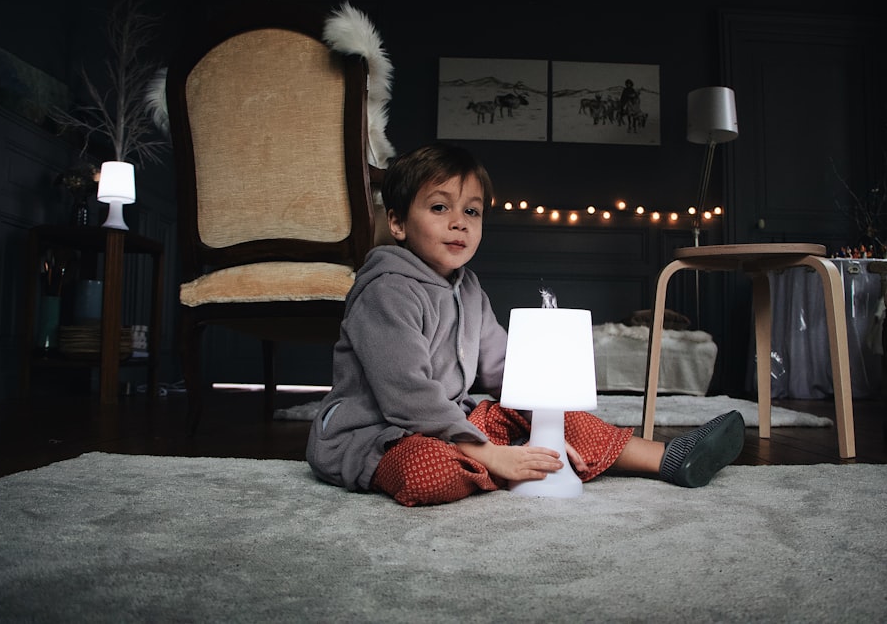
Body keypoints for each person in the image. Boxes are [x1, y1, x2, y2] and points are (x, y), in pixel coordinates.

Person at [306, 142, 744, 506]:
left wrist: (545, 419)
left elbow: (505, 369)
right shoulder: (387, 291)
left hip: (450, 427)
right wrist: (490, 453)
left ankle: (668, 458)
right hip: (378, 437)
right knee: (428, 474)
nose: (459, 222)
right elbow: (406, 396)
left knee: (542, 406)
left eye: (472, 212)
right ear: (398, 223)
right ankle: (514, 463)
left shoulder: (469, 289)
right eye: (440, 207)